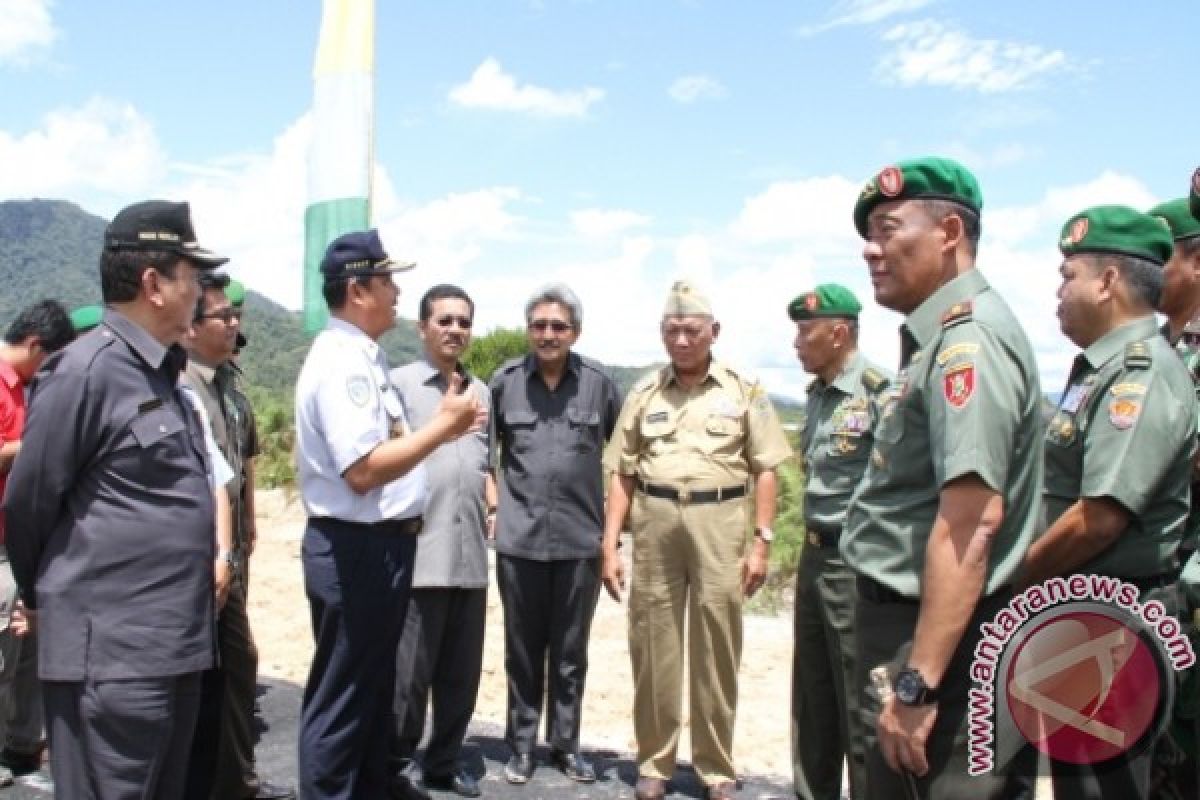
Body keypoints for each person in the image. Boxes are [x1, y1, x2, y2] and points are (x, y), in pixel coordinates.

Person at [4, 200, 228, 799]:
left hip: (171, 646)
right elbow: (28, 503)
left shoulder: (161, 373)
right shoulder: (86, 372)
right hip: (112, 657)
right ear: (154, 284)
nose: (202, 291)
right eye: (193, 276)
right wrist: (40, 597)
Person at [839, 158, 1043, 799]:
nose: (871, 250)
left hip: (937, 649)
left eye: (888, 229)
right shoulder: (939, 341)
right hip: (918, 634)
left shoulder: (968, 345)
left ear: (950, 232)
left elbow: (972, 524)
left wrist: (916, 683)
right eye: (868, 235)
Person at [295, 229, 481, 800]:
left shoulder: (364, 359)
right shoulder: (341, 365)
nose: (398, 292)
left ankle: (374, 785)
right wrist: (441, 431)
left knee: (374, 685)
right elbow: (364, 469)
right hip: (357, 548)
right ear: (357, 290)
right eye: (387, 282)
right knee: (343, 693)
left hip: (384, 546)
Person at [1021, 205, 1194, 798]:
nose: (1058, 290)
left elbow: (1099, 518)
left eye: (1068, 274)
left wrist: (1013, 575)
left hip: (1116, 620)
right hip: (1086, 609)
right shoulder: (1104, 369)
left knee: (1102, 787)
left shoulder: (1138, 375)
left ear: (1109, 281)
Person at [601, 280, 792, 800]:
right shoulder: (644, 392)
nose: (681, 340)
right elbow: (621, 471)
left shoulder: (743, 389)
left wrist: (762, 541)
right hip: (656, 522)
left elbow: (767, 469)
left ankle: (714, 766)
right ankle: (655, 762)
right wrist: (610, 541)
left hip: (720, 522)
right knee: (653, 645)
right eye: (672, 331)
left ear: (714, 332)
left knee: (717, 647)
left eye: (691, 330)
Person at [487, 282, 620, 785]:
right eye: (539, 325)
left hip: (579, 544)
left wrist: (612, 537)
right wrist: (494, 502)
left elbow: (621, 457)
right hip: (518, 542)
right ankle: (519, 746)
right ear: (528, 330)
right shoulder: (502, 383)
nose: (548, 334)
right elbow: (484, 451)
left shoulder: (600, 385)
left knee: (569, 654)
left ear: (575, 333)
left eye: (558, 326)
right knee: (521, 651)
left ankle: (566, 746)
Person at [182, 272, 293, 800]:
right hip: (196, 557)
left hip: (228, 555)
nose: (234, 325)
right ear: (190, 326)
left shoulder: (229, 389)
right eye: (223, 316)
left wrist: (245, 530)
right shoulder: (182, 388)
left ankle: (232, 778)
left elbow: (238, 470)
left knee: (234, 666)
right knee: (207, 676)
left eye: (235, 315)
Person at [787, 285, 891, 800]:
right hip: (812, 558)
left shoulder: (879, 392)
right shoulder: (817, 395)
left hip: (853, 563)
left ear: (839, 333)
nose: (796, 343)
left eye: (806, 332)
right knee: (812, 697)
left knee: (857, 701)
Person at [389, 285, 493, 800]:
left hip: (472, 556)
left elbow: (483, 463)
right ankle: (397, 766)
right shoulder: (399, 386)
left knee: (460, 675)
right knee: (410, 676)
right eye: (444, 320)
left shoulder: (482, 392)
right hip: (420, 553)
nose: (455, 329)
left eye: (464, 321)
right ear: (422, 327)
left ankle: (444, 763)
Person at [0, 301, 73, 786]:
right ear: (34, 346)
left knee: (28, 649)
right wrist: (36, 445)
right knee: (4, 650)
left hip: (24, 541)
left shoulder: (26, 387)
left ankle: (22, 747)